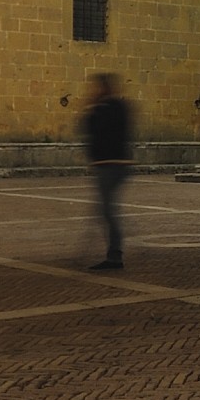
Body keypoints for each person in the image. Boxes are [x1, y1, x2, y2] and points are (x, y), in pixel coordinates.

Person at [80, 74, 133, 270]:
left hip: (111, 164)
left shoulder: (110, 108)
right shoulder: (116, 107)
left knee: (107, 210)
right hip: (111, 164)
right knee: (107, 210)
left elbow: (93, 129)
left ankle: (115, 256)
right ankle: (114, 252)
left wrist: (92, 108)